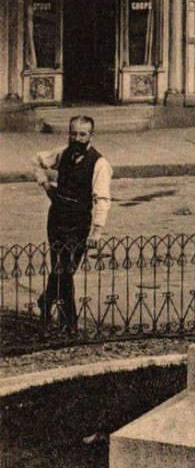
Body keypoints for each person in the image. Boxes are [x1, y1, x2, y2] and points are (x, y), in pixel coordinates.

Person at [34, 116, 112, 333]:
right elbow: (37, 160)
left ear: (91, 136)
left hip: (78, 222)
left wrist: (96, 231)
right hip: (57, 218)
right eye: (73, 133)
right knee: (60, 267)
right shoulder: (63, 153)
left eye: (82, 134)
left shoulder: (99, 164)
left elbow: (102, 199)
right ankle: (69, 325)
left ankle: (46, 301)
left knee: (66, 269)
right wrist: (46, 185)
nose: (77, 138)